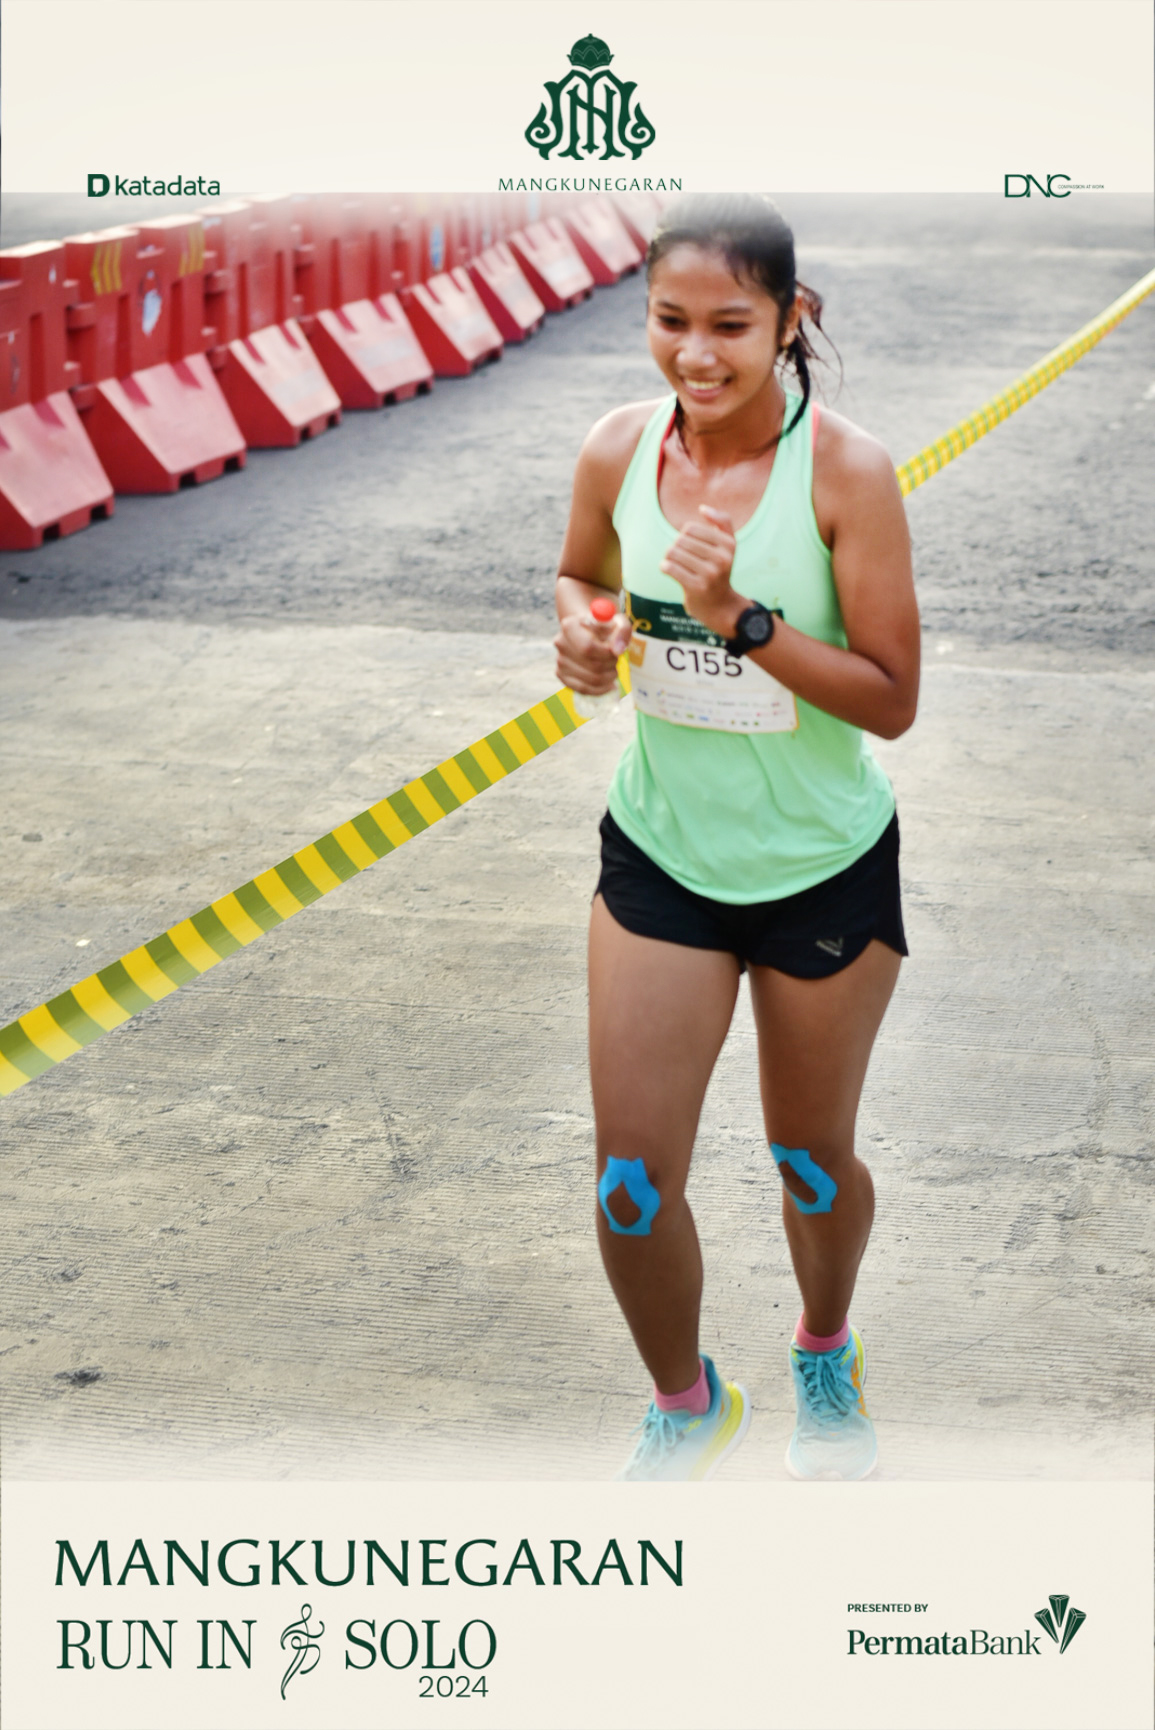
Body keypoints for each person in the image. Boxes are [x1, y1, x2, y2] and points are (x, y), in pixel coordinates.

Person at [552, 194, 920, 1482]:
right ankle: (687, 1405)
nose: (695, 354)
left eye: (729, 325)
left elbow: (892, 698)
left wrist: (739, 620)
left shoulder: (847, 474)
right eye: (670, 321)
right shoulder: (617, 446)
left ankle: (825, 1348)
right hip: (662, 855)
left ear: (789, 319)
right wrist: (584, 636)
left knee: (808, 1162)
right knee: (628, 1181)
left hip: (819, 867)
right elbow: (584, 573)